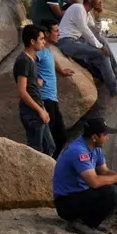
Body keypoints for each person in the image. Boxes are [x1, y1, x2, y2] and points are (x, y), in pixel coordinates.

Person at [52, 117, 117, 234]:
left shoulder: (95, 148)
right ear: (95, 137)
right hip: (66, 202)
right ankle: (80, 223)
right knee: (112, 191)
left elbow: (104, 171)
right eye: (105, 134)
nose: (107, 137)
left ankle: (90, 221)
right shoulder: (78, 151)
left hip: (80, 195)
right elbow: (94, 182)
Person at [58, 0, 117, 96]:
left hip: (77, 41)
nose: (100, 1)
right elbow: (85, 30)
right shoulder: (78, 8)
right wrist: (100, 47)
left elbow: (96, 33)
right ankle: (114, 88)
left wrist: (97, 17)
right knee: (101, 54)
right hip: (67, 43)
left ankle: (115, 70)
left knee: (102, 39)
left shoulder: (87, 14)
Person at [15, 24, 54, 155]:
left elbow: (30, 84)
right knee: (37, 152)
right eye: (41, 39)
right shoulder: (23, 61)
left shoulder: (31, 60)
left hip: (38, 107)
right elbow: (22, 91)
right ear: (32, 42)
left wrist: (37, 83)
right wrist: (40, 111)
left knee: (50, 147)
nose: (44, 41)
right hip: (31, 111)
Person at [38, 22, 76, 157]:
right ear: (47, 34)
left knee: (61, 138)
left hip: (52, 99)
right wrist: (35, 79)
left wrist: (61, 71)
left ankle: (51, 165)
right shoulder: (40, 52)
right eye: (55, 31)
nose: (58, 34)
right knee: (49, 139)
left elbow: (52, 62)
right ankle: (46, 166)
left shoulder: (48, 51)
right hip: (44, 99)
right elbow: (28, 64)